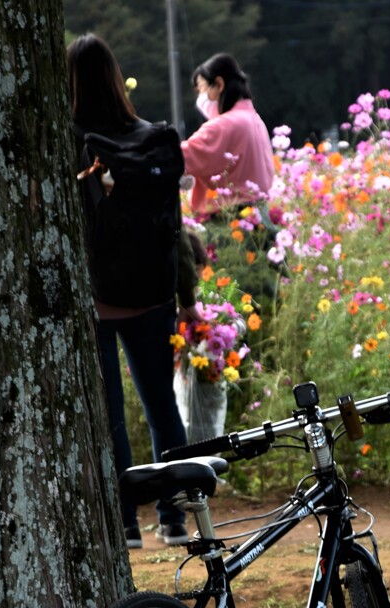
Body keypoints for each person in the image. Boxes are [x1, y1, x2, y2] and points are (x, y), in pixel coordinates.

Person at [68, 33, 198, 548]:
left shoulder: (74, 140)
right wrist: (187, 298)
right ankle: (175, 517)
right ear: (117, 77)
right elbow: (177, 228)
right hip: (153, 293)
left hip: (100, 298)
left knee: (110, 416)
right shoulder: (154, 138)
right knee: (162, 406)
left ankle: (125, 523)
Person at [181, 53, 274, 218]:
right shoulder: (254, 119)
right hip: (259, 215)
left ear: (219, 84)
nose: (200, 98)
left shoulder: (223, 125)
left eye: (201, 89)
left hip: (229, 220)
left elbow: (179, 156)